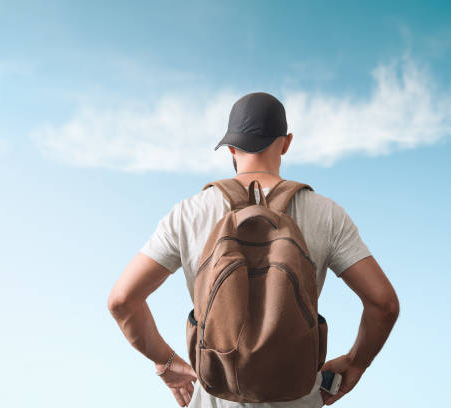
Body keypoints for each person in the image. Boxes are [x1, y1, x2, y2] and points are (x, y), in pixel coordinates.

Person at [108, 92, 400, 407]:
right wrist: (356, 363)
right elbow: (383, 304)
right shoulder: (326, 213)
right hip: (298, 396)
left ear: (231, 148)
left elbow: (123, 301)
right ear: (286, 143)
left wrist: (166, 363)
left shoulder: (189, 213)